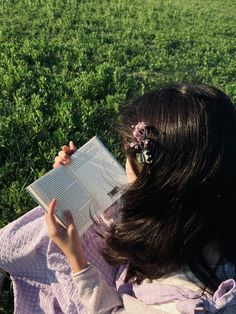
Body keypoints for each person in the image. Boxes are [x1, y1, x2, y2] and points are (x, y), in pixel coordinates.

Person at [1, 83, 236, 313]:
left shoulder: (179, 306)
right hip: (151, 258)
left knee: (57, 236)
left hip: (104, 294)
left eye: (131, 160)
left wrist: (76, 261)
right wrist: (80, 176)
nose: (126, 165)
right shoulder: (207, 211)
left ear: (165, 187)